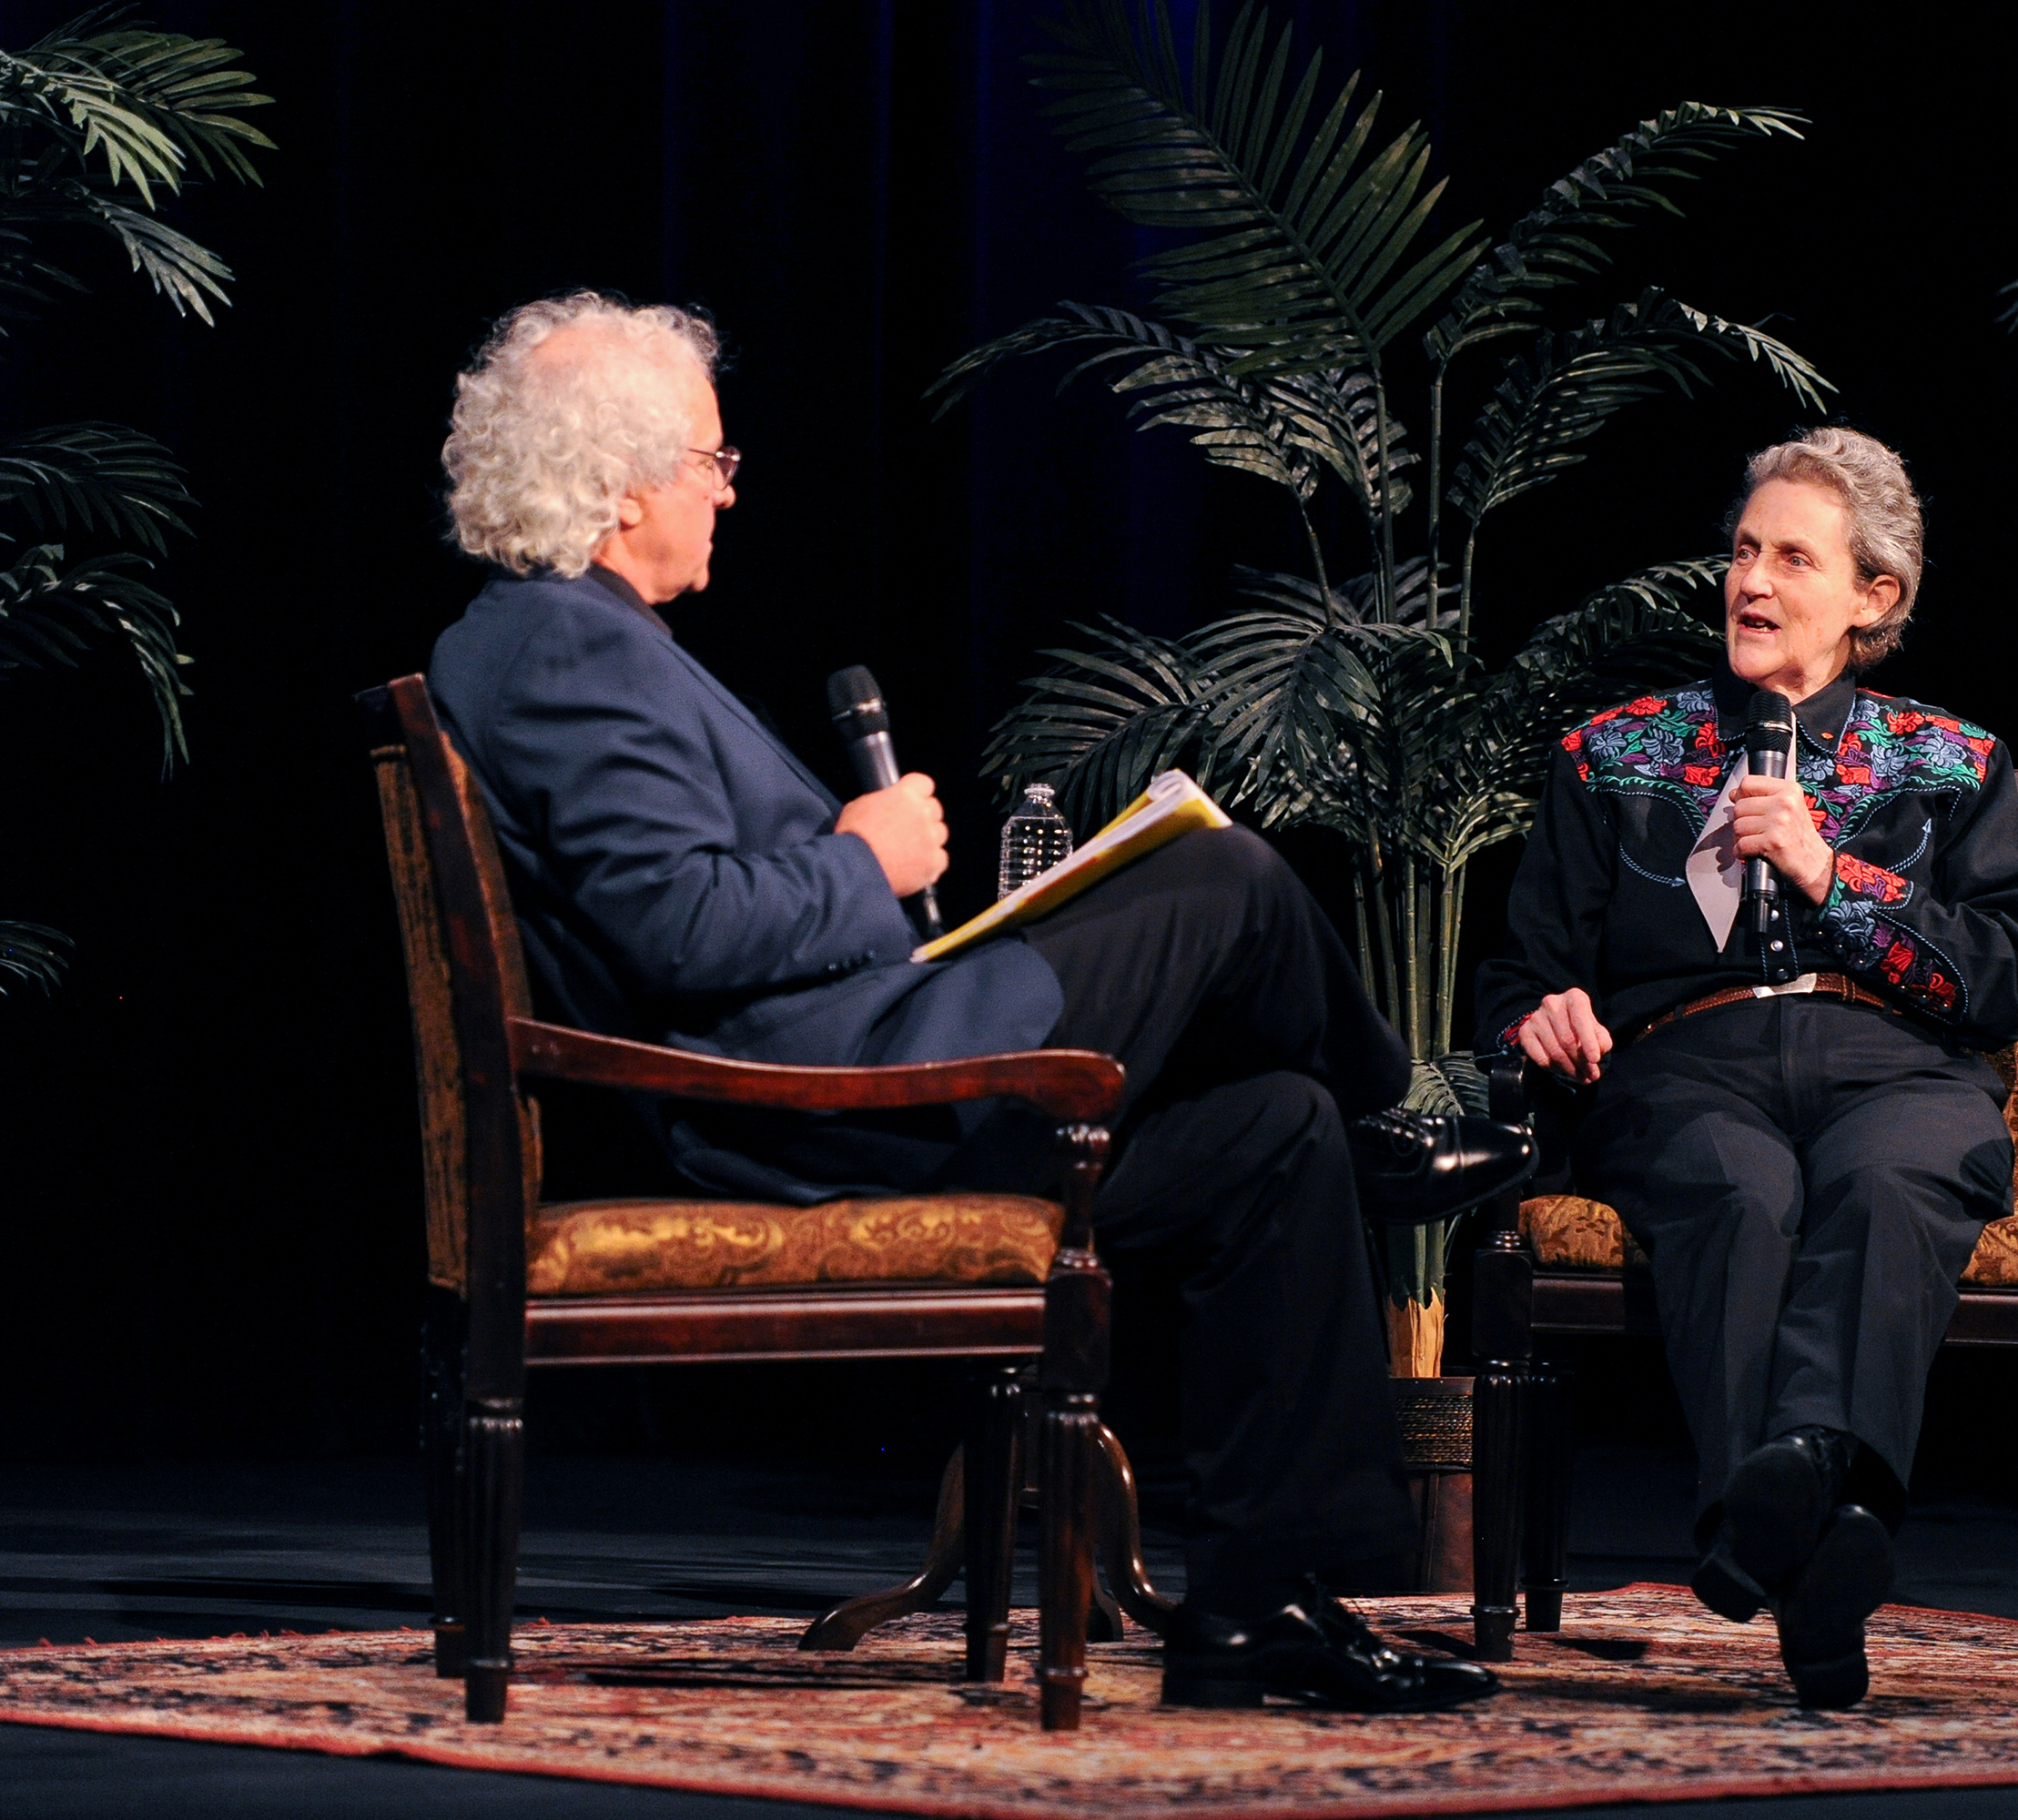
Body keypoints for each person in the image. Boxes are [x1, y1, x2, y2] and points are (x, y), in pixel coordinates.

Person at [426, 292, 1529, 1711]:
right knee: (1231, 881)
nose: (725, 490)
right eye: (711, 460)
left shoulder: (552, 638)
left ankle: (1260, 1606)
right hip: (826, 1104)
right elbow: (678, 929)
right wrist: (865, 860)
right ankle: (1400, 1126)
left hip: (858, 1062)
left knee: (1270, 1128)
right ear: (621, 482)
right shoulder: (563, 645)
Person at [1475, 427, 2018, 1709]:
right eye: (1744, 550)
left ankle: (1766, 1528)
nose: (1749, 580)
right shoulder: (1609, 755)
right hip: (1689, 1068)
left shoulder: (1954, 764)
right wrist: (1544, 1014)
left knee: (1889, 1187)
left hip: (1900, 1070)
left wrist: (1826, 870)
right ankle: (1820, 1547)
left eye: (1793, 558)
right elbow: (1518, 979)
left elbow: (2008, 980)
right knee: (1736, 1194)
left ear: (1871, 598)